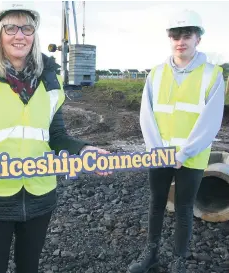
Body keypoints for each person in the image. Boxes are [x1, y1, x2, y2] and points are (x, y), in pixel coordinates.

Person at [0, 2, 111, 273]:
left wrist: (84, 150)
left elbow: (57, 135)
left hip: (39, 194)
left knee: (29, 267)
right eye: (10, 28)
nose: (19, 35)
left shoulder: (50, 78)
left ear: (34, 35)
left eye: (27, 28)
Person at [129, 10, 225, 273]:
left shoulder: (212, 74)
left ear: (198, 39)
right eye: (175, 36)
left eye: (187, 35)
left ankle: (178, 262)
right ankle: (151, 257)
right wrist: (158, 151)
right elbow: (146, 116)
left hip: (191, 157)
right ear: (169, 39)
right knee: (156, 203)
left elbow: (210, 120)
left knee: (183, 208)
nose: (180, 41)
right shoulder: (156, 74)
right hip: (159, 154)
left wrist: (184, 153)